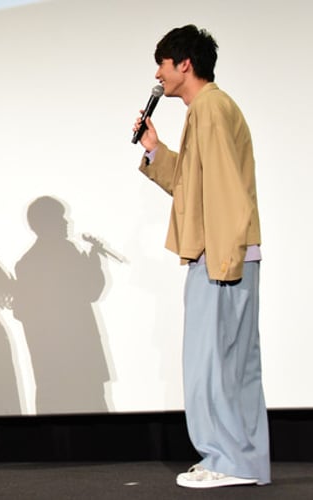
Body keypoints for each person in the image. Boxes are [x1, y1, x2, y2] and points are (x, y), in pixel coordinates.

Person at [133, 25, 270, 488]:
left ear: (184, 64)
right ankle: (242, 462)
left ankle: (228, 461)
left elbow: (226, 188)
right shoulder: (211, 108)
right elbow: (194, 185)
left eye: (163, 65)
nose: (158, 75)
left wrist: (224, 263)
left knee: (213, 365)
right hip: (227, 253)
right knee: (233, 364)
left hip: (221, 256)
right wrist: (155, 151)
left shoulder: (209, 108)